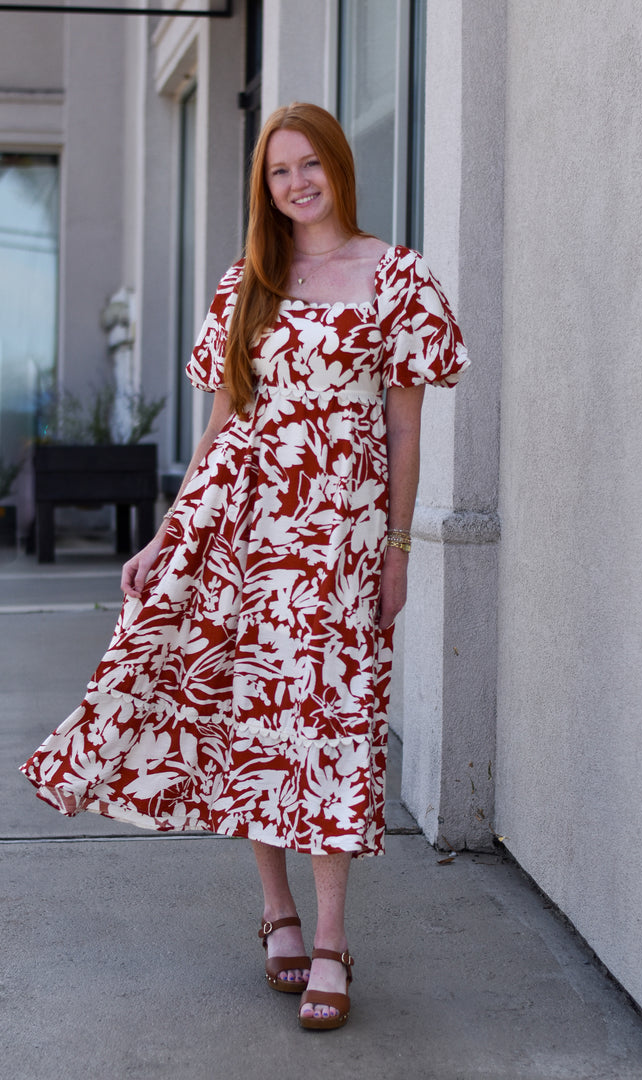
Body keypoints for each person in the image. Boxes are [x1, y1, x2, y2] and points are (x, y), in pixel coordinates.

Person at [21, 102, 469, 1031]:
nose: (297, 183)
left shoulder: (400, 279)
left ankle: (335, 942)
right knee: (251, 715)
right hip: (239, 533)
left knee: (331, 722)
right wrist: (164, 533)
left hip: (339, 543)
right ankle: (278, 913)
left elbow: (405, 429)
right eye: (278, 172)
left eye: (310, 165)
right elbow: (220, 426)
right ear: (264, 187)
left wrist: (398, 546)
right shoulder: (248, 281)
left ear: (340, 167)